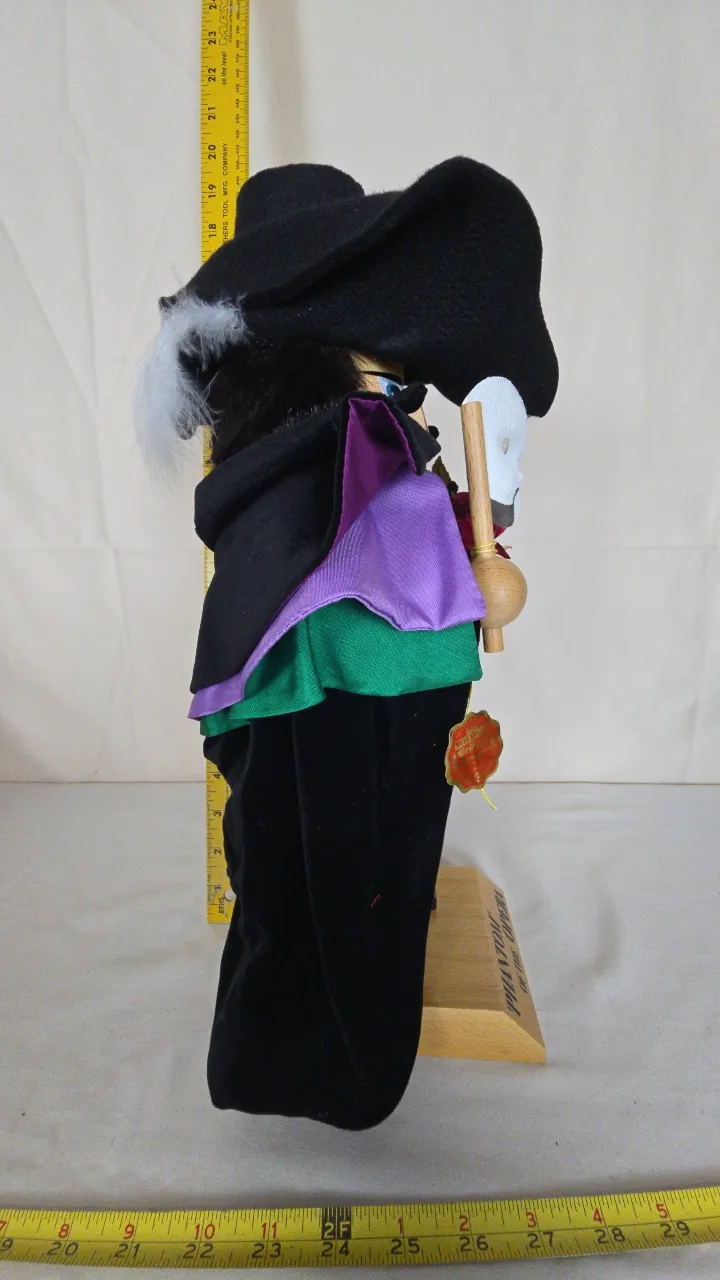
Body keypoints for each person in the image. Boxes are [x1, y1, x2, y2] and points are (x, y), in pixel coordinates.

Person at [135, 158, 558, 1129]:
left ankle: (323, 1036)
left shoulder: (365, 441)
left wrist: (476, 555)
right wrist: (471, 572)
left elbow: (413, 544)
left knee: (363, 863)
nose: (404, 392)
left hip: (393, 677)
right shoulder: (326, 452)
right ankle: (314, 1060)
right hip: (334, 678)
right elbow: (330, 556)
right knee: (325, 867)